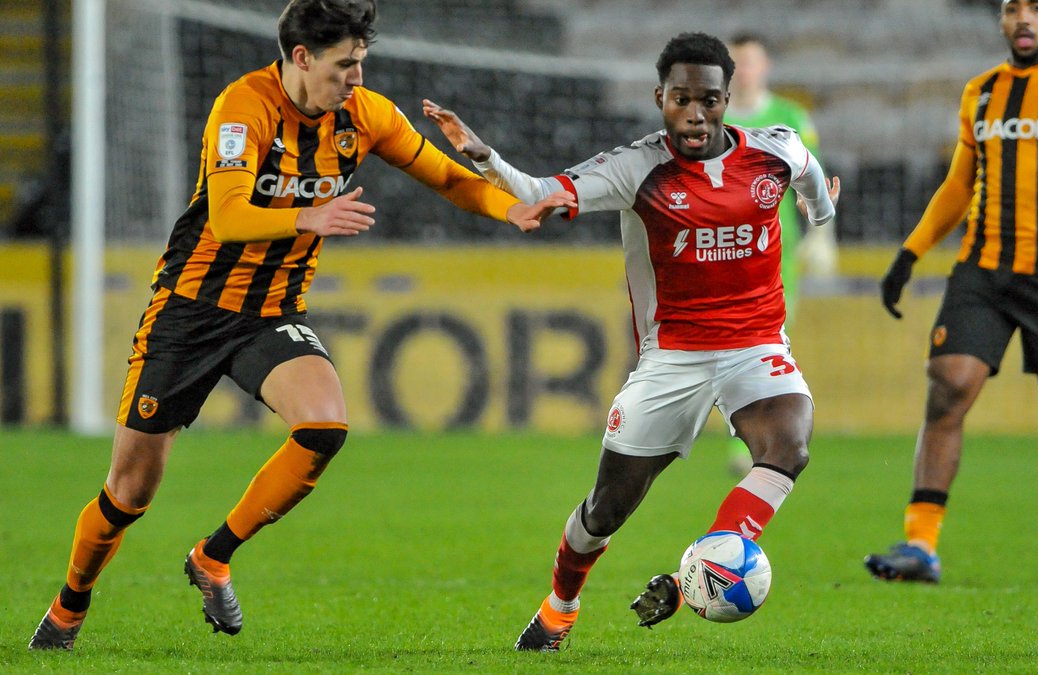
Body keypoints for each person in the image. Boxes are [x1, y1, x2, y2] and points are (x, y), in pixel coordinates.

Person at [28, 0, 572, 651]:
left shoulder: (365, 115)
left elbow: (447, 178)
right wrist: (305, 219)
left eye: (362, 63)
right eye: (346, 65)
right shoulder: (243, 107)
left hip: (272, 313)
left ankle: (213, 555)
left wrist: (509, 209)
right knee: (130, 489)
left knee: (324, 425)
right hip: (190, 313)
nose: (357, 78)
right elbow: (228, 217)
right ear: (303, 58)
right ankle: (68, 604)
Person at [424, 31, 839, 652]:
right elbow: (539, 192)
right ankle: (560, 605)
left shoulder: (776, 151)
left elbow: (812, 182)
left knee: (791, 445)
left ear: (728, 99)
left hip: (756, 343)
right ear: (660, 98)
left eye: (709, 100)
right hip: (673, 358)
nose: (694, 114)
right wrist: (485, 156)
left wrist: (822, 213)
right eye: (680, 99)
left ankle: (699, 568)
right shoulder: (634, 168)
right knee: (606, 510)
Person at [865, 0, 1038, 586]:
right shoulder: (981, 93)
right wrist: (910, 252)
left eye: (1037, 7)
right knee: (948, 388)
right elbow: (959, 184)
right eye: (1013, 7)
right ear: (1002, 17)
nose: (1023, 17)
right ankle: (921, 545)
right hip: (982, 272)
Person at [724, 31, 838, 475]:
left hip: (773, 253)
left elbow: (813, 182)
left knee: (764, 346)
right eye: (736, 62)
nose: (744, 70)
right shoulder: (709, 119)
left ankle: (751, 444)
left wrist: (822, 237)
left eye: (750, 61)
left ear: (765, 66)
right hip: (717, 250)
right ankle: (744, 440)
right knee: (725, 345)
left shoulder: (791, 117)